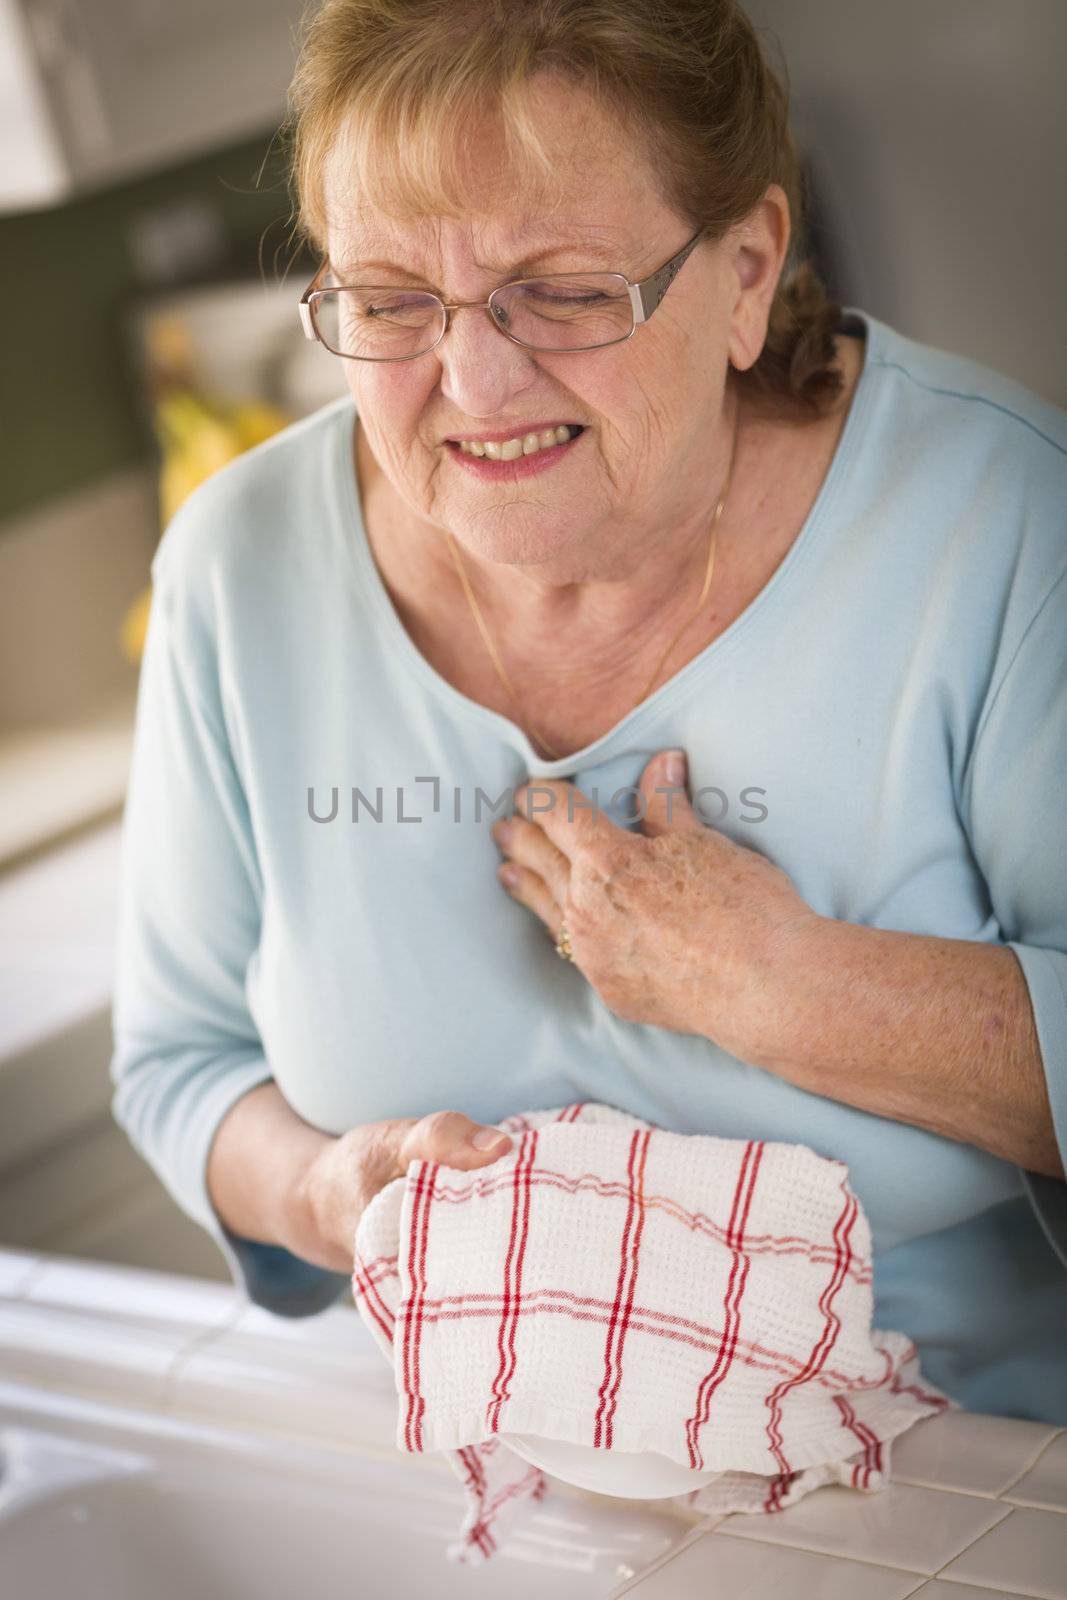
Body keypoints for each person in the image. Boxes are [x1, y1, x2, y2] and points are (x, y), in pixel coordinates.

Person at [110, 0, 1067, 1424]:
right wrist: (320, 1192)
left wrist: (773, 986)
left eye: (560, 291)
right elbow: (180, 1065)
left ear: (747, 269)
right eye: (387, 302)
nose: (476, 385)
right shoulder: (237, 567)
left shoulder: (996, 522)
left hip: (967, 1472)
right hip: (490, 1482)